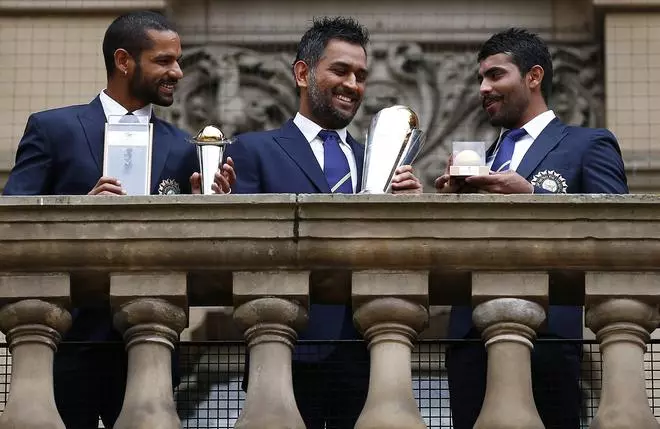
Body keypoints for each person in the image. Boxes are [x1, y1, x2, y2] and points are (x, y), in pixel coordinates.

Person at [3, 11, 236, 428]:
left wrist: (212, 203)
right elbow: (13, 223)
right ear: (124, 61)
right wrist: (76, 210)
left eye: (177, 60)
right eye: (164, 61)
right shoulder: (53, 128)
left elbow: (195, 247)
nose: (178, 72)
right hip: (63, 340)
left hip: (149, 338)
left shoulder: (182, 147)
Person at [225, 16, 422, 429]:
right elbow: (239, 248)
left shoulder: (379, 162)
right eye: (340, 70)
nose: (353, 84)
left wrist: (410, 210)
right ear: (303, 72)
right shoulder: (253, 151)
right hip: (286, 346)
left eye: (361, 75)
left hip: (372, 348)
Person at [435, 28, 628, 429]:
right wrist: (445, 203)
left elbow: (618, 233)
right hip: (469, 340)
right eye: (480, 79)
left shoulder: (588, 144)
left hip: (548, 335)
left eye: (495, 75)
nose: (483, 88)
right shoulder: (477, 159)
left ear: (534, 76)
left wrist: (534, 192)